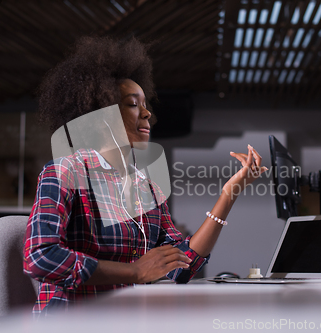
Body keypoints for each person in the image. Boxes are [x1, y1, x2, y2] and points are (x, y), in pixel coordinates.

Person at [23, 36, 267, 316]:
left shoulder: (147, 187)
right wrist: (135, 272)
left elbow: (180, 267)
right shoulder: (65, 171)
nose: (147, 112)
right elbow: (39, 258)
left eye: (145, 103)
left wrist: (229, 195)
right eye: (132, 104)